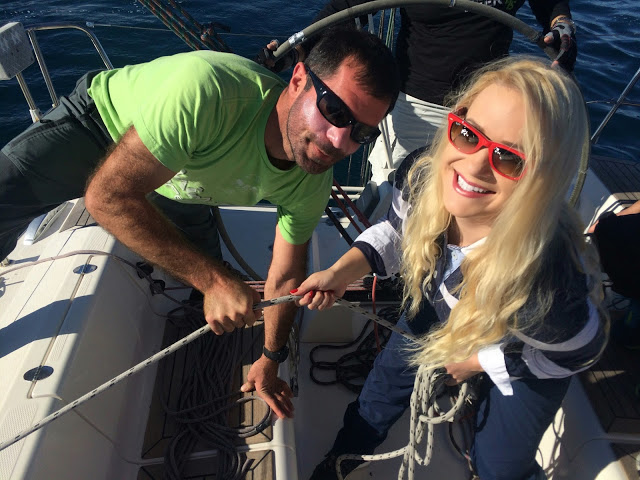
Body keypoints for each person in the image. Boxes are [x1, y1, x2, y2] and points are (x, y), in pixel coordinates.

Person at [0, 25, 400, 419]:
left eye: (362, 132)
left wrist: (270, 358)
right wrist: (214, 281)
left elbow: (285, 274)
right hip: (102, 124)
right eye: (334, 111)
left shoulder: (311, 181)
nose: (339, 141)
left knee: (197, 286)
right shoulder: (209, 93)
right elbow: (107, 197)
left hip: (184, 183)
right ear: (297, 80)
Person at [293, 57, 608, 479]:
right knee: (383, 386)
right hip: (438, 307)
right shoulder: (423, 174)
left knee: (499, 465)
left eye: (509, 158)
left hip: (520, 348)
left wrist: (478, 361)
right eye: (468, 133)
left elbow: (579, 349)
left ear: (545, 178)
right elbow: (399, 233)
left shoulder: (551, 280)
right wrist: (340, 273)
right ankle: (343, 458)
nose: (473, 165)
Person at [281, 0, 578, 186]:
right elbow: (348, 8)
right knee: (391, 194)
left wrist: (562, 25)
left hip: (482, 113)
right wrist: (298, 48)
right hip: (415, 106)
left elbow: (551, 6)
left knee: (471, 195)